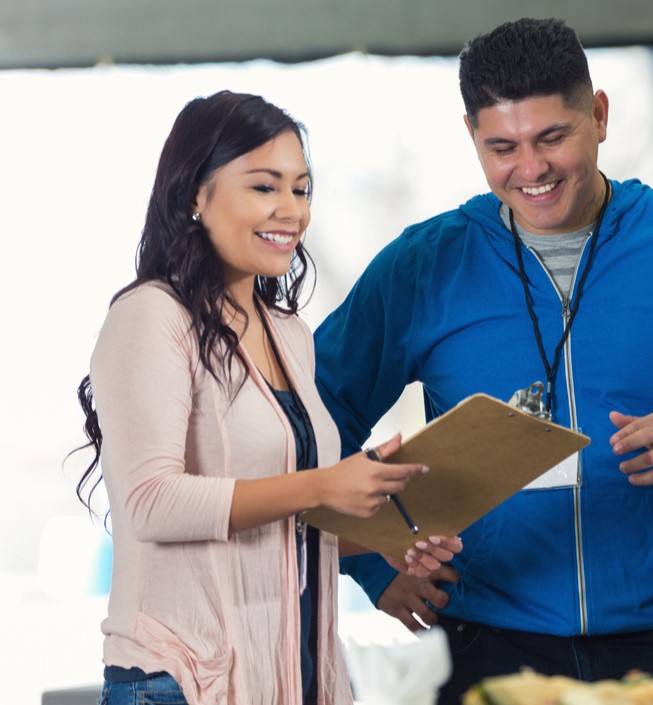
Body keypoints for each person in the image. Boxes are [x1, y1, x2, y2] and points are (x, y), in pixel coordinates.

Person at [313, 17, 653, 702]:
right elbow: (309, 424)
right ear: (472, 136)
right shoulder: (422, 267)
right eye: (503, 146)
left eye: (552, 137)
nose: (530, 170)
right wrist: (377, 567)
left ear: (598, 115)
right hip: (481, 643)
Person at [74, 90, 462, 705]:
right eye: (264, 187)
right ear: (195, 195)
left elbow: (287, 525)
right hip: (179, 682)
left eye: (301, 189)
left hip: (295, 679)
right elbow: (150, 502)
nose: (291, 210)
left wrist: (389, 536)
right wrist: (324, 485)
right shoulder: (149, 317)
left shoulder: (290, 333)